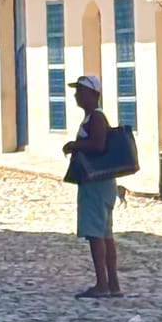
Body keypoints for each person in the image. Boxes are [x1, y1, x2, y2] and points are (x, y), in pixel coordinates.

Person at [63, 73, 122, 299]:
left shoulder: (96, 118)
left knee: (96, 234)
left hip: (96, 183)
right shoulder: (92, 117)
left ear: (93, 94)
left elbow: (98, 145)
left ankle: (102, 284)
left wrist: (75, 145)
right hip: (100, 183)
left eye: (80, 91)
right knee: (105, 234)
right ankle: (112, 284)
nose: (76, 95)